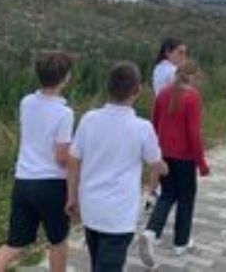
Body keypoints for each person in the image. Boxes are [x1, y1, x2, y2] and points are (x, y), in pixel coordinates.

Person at [66, 62, 167, 272]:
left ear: (108, 87)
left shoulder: (88, 119)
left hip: (91, 208)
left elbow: (73, 161)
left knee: (97, 262)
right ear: (138, 90)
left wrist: (72, 197)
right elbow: (156, 164)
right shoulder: (143, 128)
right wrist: (166, 168)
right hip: (119, 215)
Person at [0, 51, 74, 272]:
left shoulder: (26, 102)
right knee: (58, 240)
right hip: (51, 183)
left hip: (23, 180)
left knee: (14, 243)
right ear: (65, 78)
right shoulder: (64, 113)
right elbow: (61, 156)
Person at [139, 60, 209, 269]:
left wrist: (155, 152)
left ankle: (151, 232)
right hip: (185, 157)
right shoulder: (192, 97)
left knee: (167, 195)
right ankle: (181, 242)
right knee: (186, 199)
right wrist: (201, 163)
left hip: (165, 153)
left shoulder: (163, 94)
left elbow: (154, 124)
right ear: (193, 76)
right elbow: (193, 134)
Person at [146, 37, 188, 211]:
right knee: (169, 154)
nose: (183, 56)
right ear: (168, 52)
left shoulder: (158, 68)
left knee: (157, 153)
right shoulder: (173, 71)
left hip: (158, 112)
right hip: (171, 116)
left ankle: (152, 193)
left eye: (185, 53)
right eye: (180, 52)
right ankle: (167, 191)